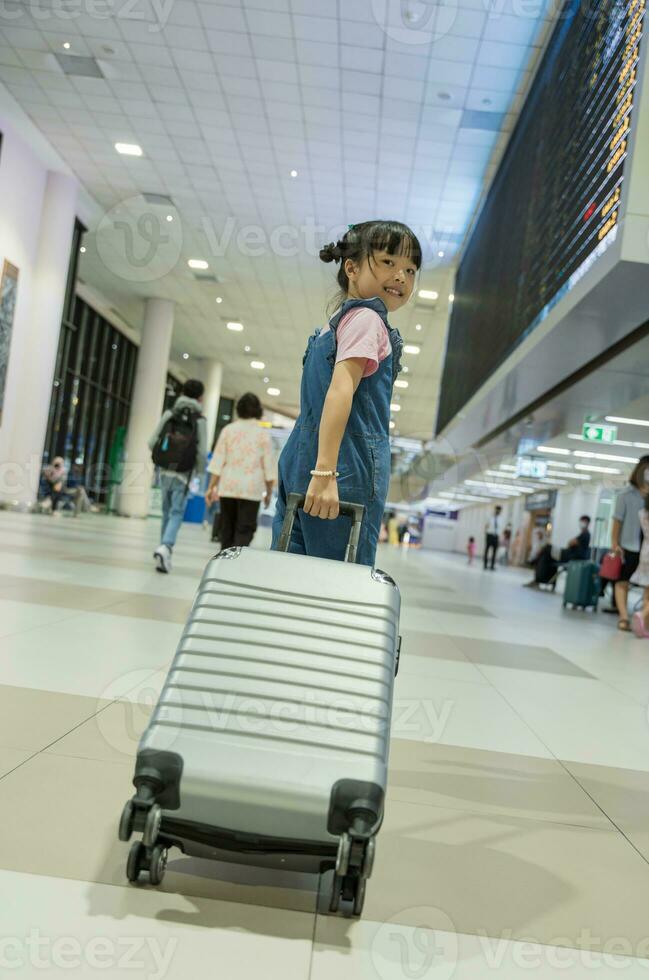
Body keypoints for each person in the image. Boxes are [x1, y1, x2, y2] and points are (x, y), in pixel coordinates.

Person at [271, 220, 422, 566]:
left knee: (289, 577)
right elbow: (341, 390)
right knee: (337, 585)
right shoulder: (369, 320)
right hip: (344, 466)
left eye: (410, 269)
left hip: (300, 458)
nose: (401, 276)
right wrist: (326, 472)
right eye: (388, 262)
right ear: (351, 267)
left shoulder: (332, 325)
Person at [148, 379, 208, 573]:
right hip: (183, 474)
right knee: (176, 513)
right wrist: (199, 474)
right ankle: (166, 546)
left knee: (166, 512)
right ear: (200, 397)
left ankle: (163, 552)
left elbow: (151, 442)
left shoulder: (170, 414)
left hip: (164, 470)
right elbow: (201, 452)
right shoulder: (199, 420)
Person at [206, 392, 275, 551]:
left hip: (228, 487)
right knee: (245, 529)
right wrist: (269, 493)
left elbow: (218, 462)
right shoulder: (262, 434)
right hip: (251, 489)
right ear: (258, 410)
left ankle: (224, 561)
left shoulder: (228, 430)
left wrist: (211, 487)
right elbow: (268, 468)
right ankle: (235, 561)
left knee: (227, 528)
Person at [611, 456, 649, 631]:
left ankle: (643, 618)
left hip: (647, 548)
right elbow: (617, 521)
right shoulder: (625, 495)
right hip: (630, 545)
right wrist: (614, 543)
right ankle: (624, 617)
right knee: (623, 581)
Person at [631, 496, 649, 638]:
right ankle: (643, 614)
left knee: (647, 589)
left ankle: (645, 625)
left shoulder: (642, 513)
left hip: (645, 551)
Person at [484, 505, 502, 570]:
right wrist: (486, 533)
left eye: (499, 510)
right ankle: (485, 565)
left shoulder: (500, 518)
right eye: (497, 510)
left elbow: (500, 528)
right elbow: (486, 526)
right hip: (489, 535)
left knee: (494, 552)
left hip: (496, 536)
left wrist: (499, 537)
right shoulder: (490, 517)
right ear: (495, 510)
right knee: (487, 550)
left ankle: (492, 566)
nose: (498, 511)